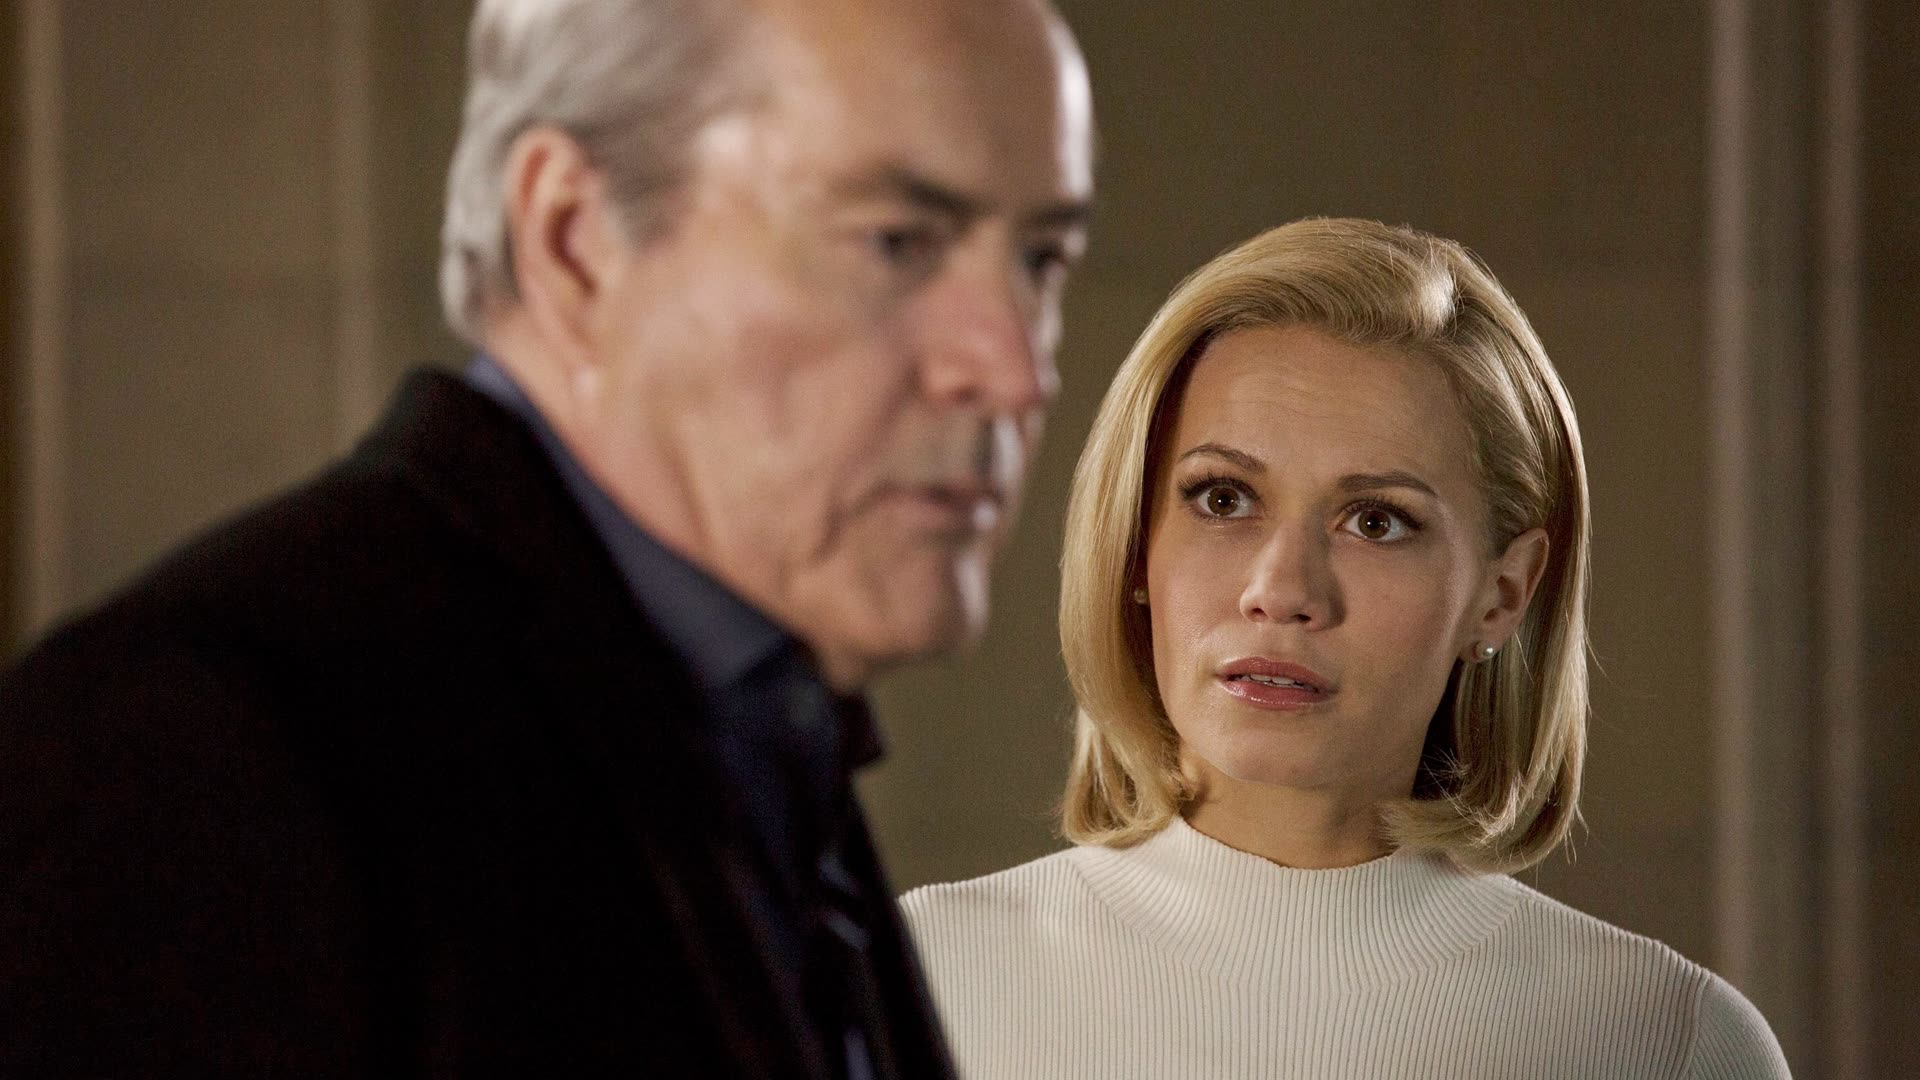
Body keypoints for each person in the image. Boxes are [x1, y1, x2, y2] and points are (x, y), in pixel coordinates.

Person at [0, 0, 1093, 1075]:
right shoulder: (195, 750)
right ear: (575, 240)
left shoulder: (756, 714)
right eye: (896, 243)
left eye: (1041, 260)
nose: (1015, 370)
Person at [901, 218, 1791, 1079]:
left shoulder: (1666, 1042)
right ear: (1135, 546)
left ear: (1501, 596)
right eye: (1222, 499)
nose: (1283, 589)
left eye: (1376, 521)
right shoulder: (916, 983)